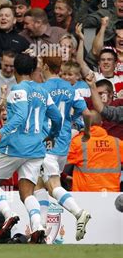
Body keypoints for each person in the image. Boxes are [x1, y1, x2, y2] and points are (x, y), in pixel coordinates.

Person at [0, 53, 62, 244]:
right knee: (27, 193)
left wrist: (1, 132)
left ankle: (9, 214)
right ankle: (38, 226)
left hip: (14, 145)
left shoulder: (18, 89)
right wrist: (52, 134)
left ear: (15, 70)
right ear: (34, 69)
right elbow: (58, 118)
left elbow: (20, 116)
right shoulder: (43, 91)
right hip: (36, 148)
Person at [35, 54, 91, 241]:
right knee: (39, 184)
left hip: (47, 141)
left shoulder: (42, 89)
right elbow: (86, 113)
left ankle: (79, 212)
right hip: (63, 143)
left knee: (53, 185)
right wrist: (87, 131)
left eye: (41, 64)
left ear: (45, 67)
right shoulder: (71, 88)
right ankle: (41, 229)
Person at [67, 110, 123, 192]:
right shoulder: (117, 143)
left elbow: (58, 161)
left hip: (84, 195)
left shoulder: (77, 142)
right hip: (111, 195)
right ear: (101, 123)